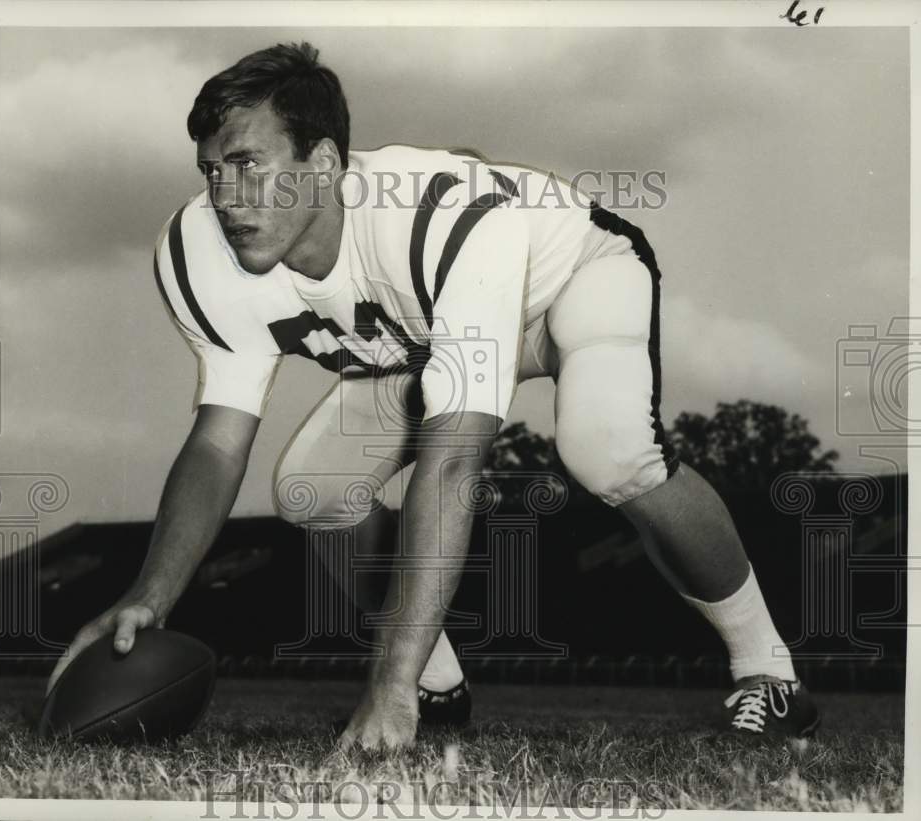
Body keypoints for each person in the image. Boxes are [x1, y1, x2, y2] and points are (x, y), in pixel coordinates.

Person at [47, 41, 820, 748]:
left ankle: (770, 670)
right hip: (423, 326)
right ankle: (438, 684)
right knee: (314, 489)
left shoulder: (441, 218)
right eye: (212, 169)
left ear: (323, 161)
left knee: (607, 447)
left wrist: (381, 685)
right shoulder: (198, 254)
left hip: (568, 279)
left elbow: (452, 468)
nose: (227, 195)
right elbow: (218, 439)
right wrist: (148, 596)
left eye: (250, 164)